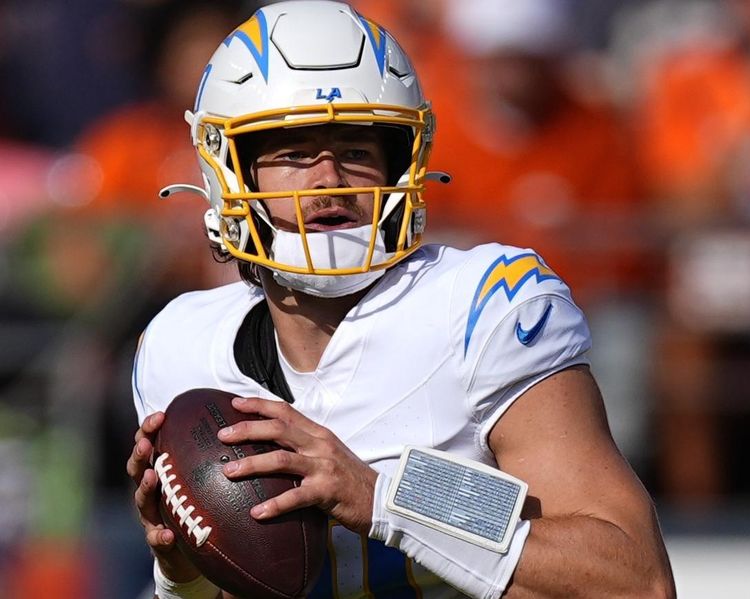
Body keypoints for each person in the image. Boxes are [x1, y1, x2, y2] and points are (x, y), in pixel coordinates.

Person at [126, 2, 675, 598]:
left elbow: (634, 579)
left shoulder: (482, 306)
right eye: (293, 152)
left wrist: (386, 495)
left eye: (357, 150)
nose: (329, 177)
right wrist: (180, 575)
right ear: (230, 174)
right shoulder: (180, 347)